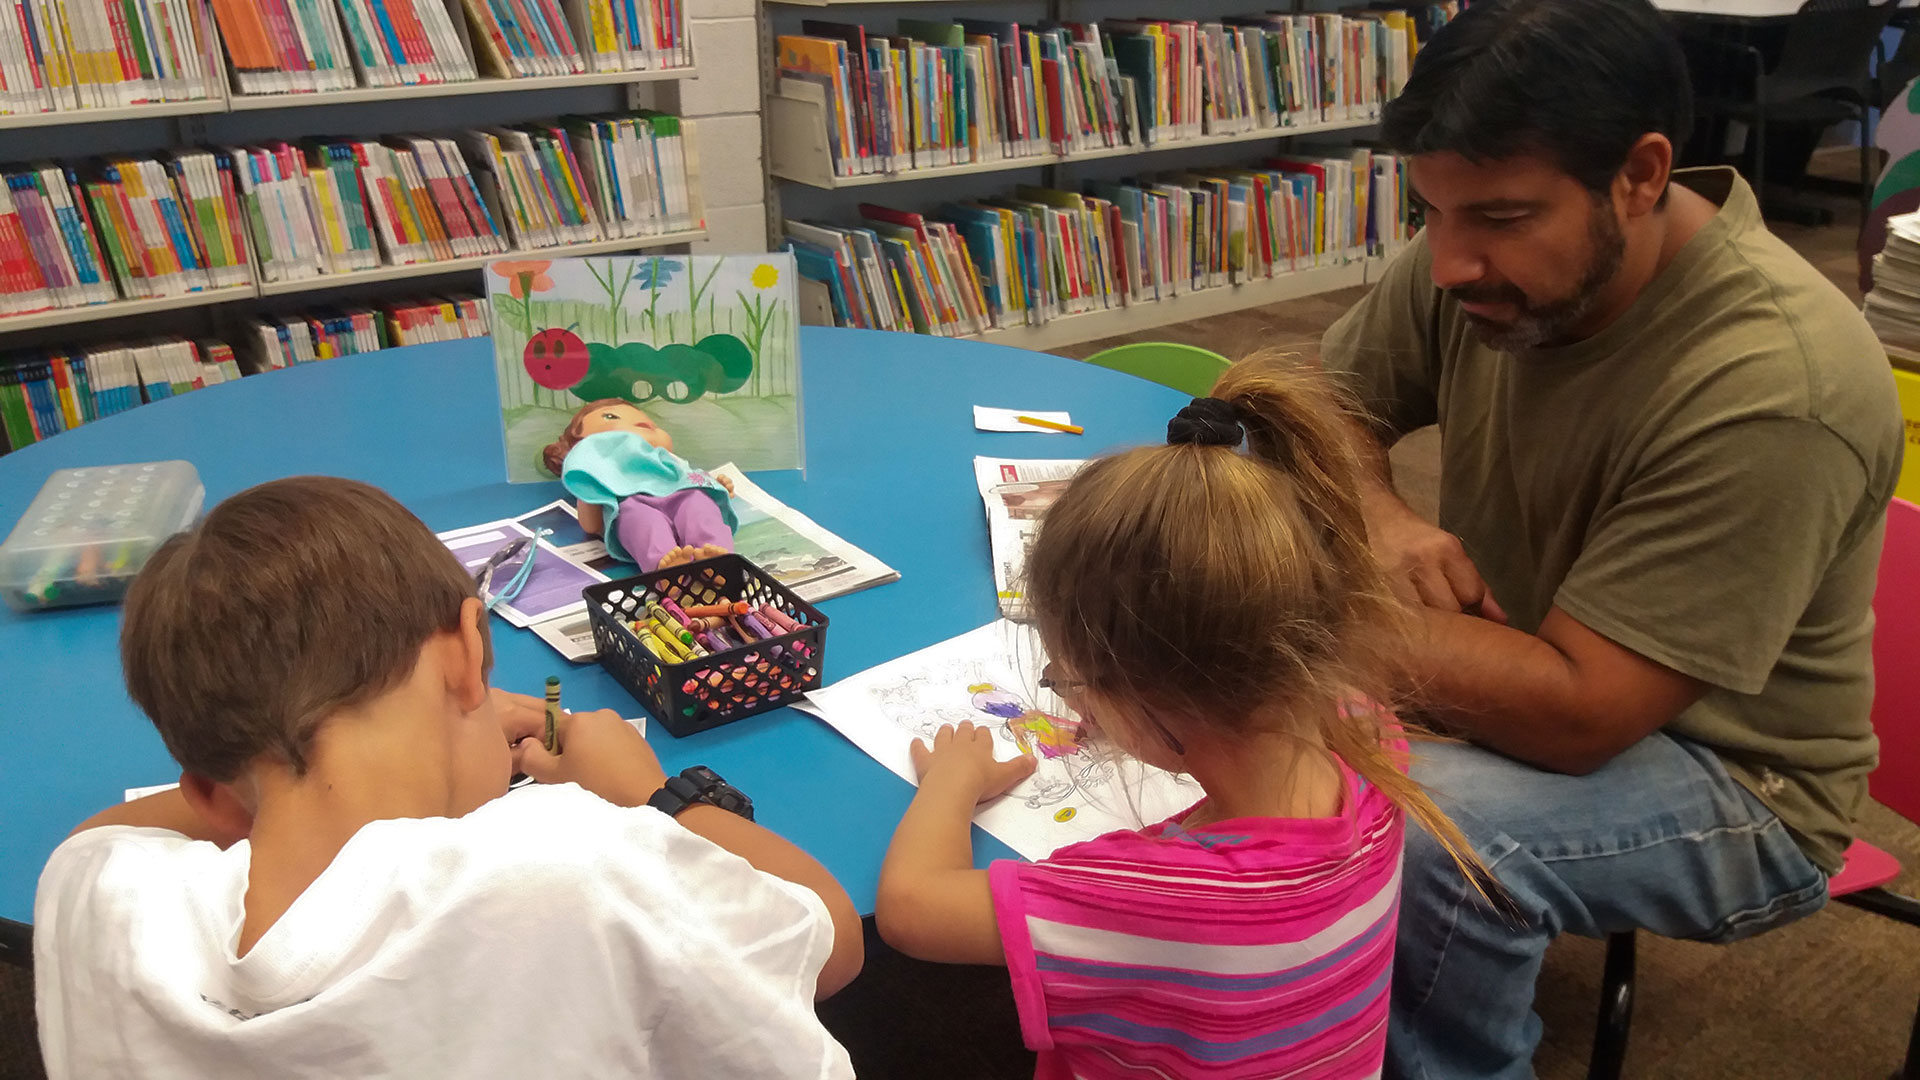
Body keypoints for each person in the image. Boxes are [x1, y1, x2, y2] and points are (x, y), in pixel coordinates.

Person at [1317, 1, 1907, 1076]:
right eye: (1431, 212)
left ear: (1641, 176)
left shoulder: (1773, 383)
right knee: (1255, 725)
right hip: (1534, 665)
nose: (1449, 262)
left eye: (1498, 216)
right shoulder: (1476, 258)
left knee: (1415, 833)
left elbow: (1582, 716)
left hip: (1735, 776)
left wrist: (1298, 620)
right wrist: (1383, 517)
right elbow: (1316, 403)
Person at [33, 476, 863, 1079]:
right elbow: (829, 940)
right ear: (469, 648)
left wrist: (254, 771)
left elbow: (106, 832)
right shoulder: (569, 864)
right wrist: (658, 797)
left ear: (210, 792)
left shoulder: (93, 894)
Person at [874, 355, 1486, 1079]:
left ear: (1142, 696)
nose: (1070, 700)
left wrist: (953, 777)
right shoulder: (1372, 743)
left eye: (1069, 679)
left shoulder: (1153, 896)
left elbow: (911, 911)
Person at [544, 397, 738, 570]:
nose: (643, 422)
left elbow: (692, 478)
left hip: (685, 494)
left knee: (699, 504)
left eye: (649, 421)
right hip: (635, 504)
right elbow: (591, 525)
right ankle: (666, 571)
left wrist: (716, 485)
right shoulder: (607, 472)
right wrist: (587, 485)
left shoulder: (669, 461)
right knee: (641, 520)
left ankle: (717, 560)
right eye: (611, 417)